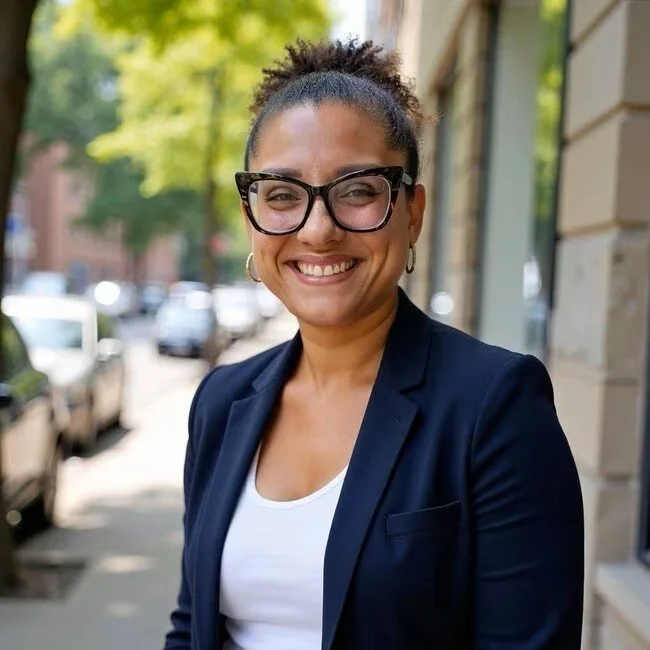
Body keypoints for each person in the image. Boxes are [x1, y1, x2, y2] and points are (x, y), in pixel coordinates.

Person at [164, 39, 584, 650]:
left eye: (358, 190)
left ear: (413, 211)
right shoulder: (220, 402)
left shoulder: (494, 406)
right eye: (281, 195)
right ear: (251, 217)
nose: (318, 229)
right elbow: (192, 624)